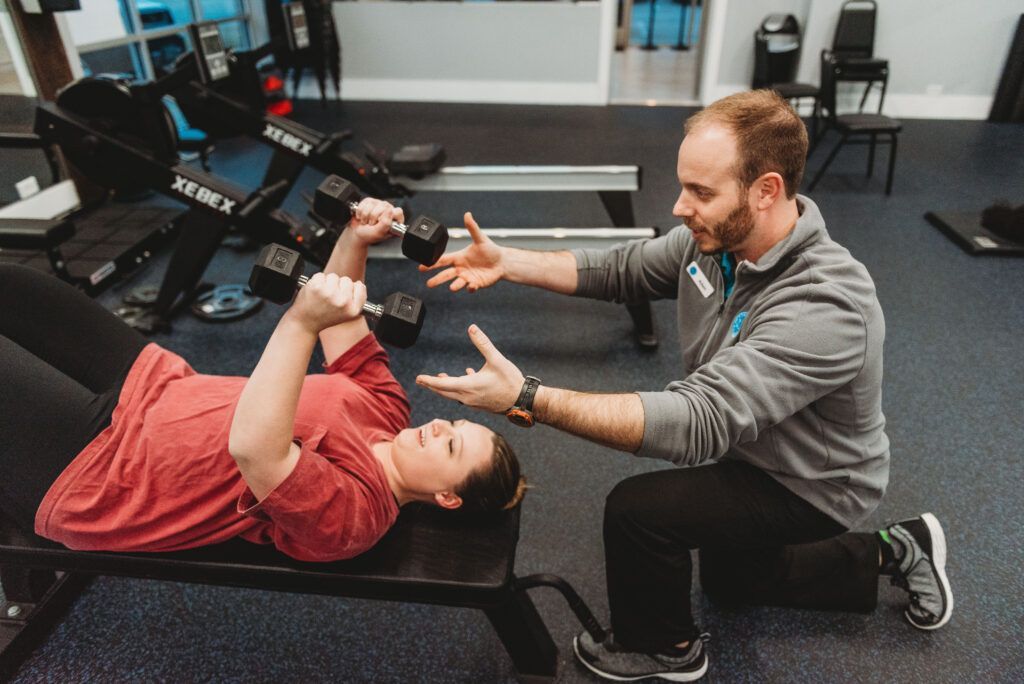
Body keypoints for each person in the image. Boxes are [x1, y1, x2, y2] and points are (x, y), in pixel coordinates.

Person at [415, 90, 953, 681]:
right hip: (752, 446)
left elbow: (697, 423)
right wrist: (508, 262)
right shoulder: (721, 245)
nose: (679, 207)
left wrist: (526, 398)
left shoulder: (827, 306)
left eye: (700, 192)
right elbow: (624, 268)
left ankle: (665, 649)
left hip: (812, 481)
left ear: (766, 191)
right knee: (731, 582)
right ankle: (897, 548)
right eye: (683, 186)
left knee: (639, 512)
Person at [0, 199, 525, 563]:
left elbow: (255, 450)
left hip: (105, 472)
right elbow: (345, 316)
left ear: (447, 498)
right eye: (452, 422)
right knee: (16, 287)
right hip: (152, 383)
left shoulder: (355, 517)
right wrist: (356, 238)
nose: (437, 425)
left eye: (452, 445)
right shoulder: (388, 411)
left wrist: (299, 321)